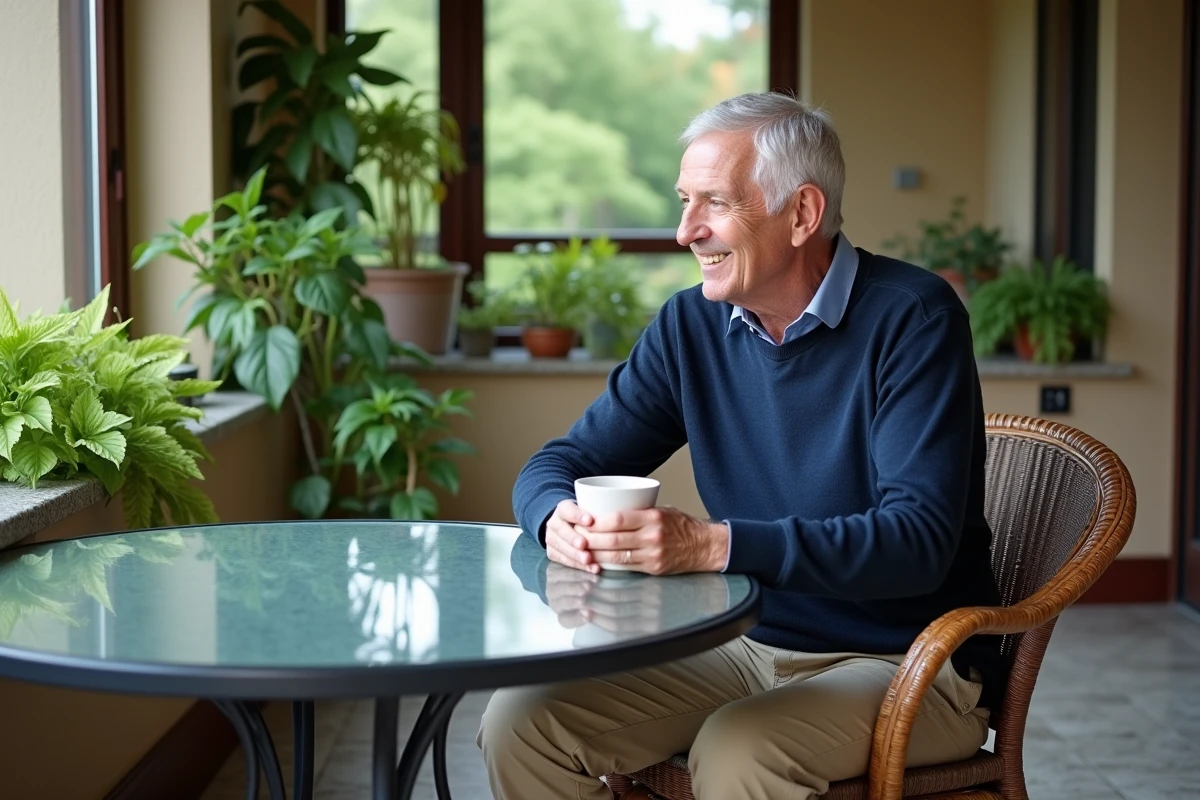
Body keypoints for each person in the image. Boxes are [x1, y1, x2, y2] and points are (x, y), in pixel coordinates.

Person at [478, 92, 1007, 800]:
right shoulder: (690, 328)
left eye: (714, 203)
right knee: (523, 718)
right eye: (683, 200)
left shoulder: (912, 320)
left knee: (739, 750)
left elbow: (917, 544)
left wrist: (712, 546)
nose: (684, 231)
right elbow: (560, 464)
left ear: (802, 214)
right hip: (742, 644)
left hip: (908, 662)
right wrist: (553, 517)